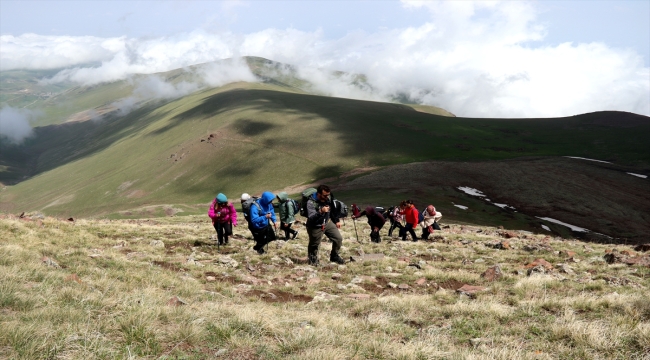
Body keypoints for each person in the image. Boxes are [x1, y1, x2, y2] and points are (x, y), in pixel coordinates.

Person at [305, 184, 346, 265]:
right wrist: (321, 211)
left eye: (328, 194)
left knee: (338, 239)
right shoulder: (311, 202)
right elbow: (311, 218)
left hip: (327, 223)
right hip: (315, 226)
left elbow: (332, 210)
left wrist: (336, 220)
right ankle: (313, 260)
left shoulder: (328, 198)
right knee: (314, 244)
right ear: (319, 194)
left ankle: (334, 256)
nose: (327, 197)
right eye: (325, 195)